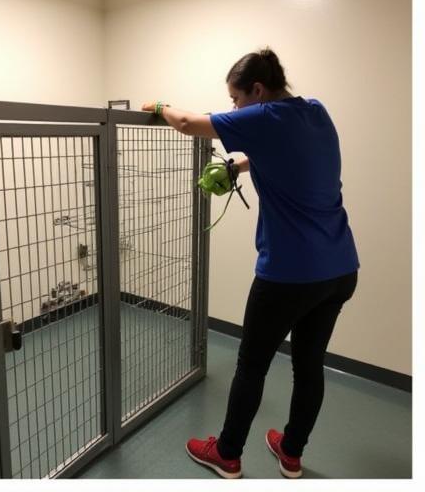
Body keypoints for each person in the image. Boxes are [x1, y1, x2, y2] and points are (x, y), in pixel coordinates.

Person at [142, 48, 359, 478]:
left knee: (250, 364)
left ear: (257, 91)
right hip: (340, 267)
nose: (233, 109)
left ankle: (227, 453)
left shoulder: (263, 118)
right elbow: (288, 156)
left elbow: (189, 124)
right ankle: (292, 453)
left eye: (236, 100)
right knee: (309, 363)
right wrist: (241, 165)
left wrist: (160, 106)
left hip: (289, 275)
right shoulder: (314, 111)